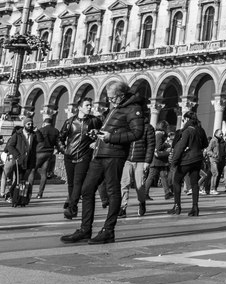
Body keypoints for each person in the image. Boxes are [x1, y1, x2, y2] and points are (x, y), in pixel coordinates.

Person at [61, 80, 146, 244]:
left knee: (113, 191)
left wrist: (111, 137)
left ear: (121, 95)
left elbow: (137, 133)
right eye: (109, 97)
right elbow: (113, 128)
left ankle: (108, 231)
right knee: (87, 189)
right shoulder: (116, 108)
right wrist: (98, 133)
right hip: (100, 153)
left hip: (115, 154)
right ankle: (85, 229)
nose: (110, 100)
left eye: (113, 97)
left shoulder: (133, 108)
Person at [59, 98, 99, 220]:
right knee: (71, 184)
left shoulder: (94, 121)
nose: (89, 107)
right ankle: (73, 207)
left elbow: (102, 134)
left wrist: (95, 142)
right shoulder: (69, 122)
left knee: (78, 182)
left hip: (84, 156)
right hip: (69, 156)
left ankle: (71, 207)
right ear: (80, 107)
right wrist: (64, 150)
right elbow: (60, 138)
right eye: (87, 105)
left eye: (90, 105)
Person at [119, 93, 156, 218]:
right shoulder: (128, 126)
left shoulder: (148, 128)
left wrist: (147, 162)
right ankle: (123, 207)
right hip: (128, 160)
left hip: (141, 161)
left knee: (139, 186)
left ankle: (142, 202)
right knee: (124, 184)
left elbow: (151, 145)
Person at [167, 111, 208, 217]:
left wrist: (174, 161)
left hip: (187, 160)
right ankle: (195, 207)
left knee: (176, 181)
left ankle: (177, 206)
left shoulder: (187, 131)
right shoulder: (200, 130)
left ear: (186, 119)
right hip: (197, 159)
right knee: (194, 183)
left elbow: (181, 147)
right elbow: (205, 144)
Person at [4, 117, 39, 205]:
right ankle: (14, 197)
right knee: (19, 180)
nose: (30, 126)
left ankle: (21, 199)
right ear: (24, 125)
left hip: (29, 161)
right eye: (28, 124)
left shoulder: (34, 135)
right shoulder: (17, 135)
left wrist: (38, 131)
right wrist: (17, 155)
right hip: (19, 161)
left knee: (24, 181)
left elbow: (41, 141)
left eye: (31, 124)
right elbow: (10, 146)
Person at [34, 114, 60, 199]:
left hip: (39, 152)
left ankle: (27, 192)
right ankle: (40, 193)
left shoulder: (41, 130)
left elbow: (36, 141)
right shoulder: (55, 131)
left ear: (44, 123)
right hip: (49, 153)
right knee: (44, 173)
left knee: (32, 171)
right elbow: (57, 143)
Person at [146, 125, 172, 201]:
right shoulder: (159, 135)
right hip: (157, 160)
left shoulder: (157, 134)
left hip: (159, 161)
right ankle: (144, 193)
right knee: (151, 177)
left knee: (163, 176)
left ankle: (167, 193)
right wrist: (167, 145)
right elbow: (158, 147)